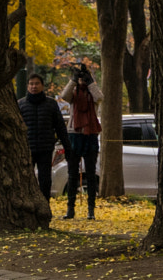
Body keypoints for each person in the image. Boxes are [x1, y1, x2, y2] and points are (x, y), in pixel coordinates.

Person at [59, 65, 101, 220]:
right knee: (72, 175)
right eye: (81, 79)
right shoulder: (74, 94)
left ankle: (91, 209)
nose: (82, 81)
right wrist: (73, 80)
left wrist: (90, 82)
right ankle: (70, 209)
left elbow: (100, 97)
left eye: (84, 78)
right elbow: (64, 95)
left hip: (90, 134)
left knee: (90, 174)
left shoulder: (93, 95)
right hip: (74, 135)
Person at [17, 73, 65, 201]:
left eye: (37, 83)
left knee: (45, 179)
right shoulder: (20, 104)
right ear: (27, 86)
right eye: (31, 84)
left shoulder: (51, 104)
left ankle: (45, 204)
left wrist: (67, 146)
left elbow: (60, 126)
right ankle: (27, 203)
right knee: (26, 178)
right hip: (27, 148)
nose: (34, 86)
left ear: (42, 86)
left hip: (45, 148)